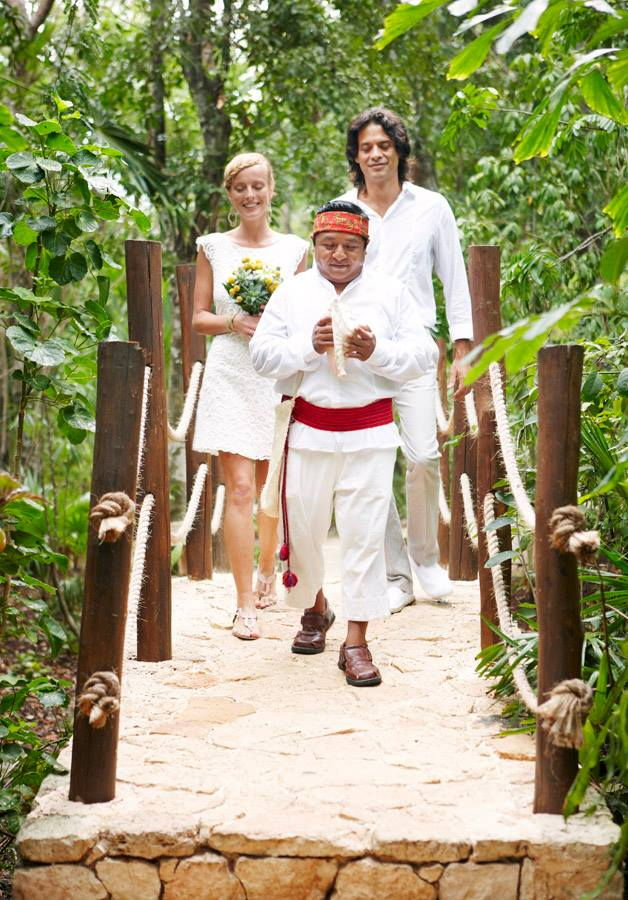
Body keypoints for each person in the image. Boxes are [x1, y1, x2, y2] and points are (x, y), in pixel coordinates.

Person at [250, 201, 438, 686]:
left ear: (365, 249)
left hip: (370, 435)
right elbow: (261, 357)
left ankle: (356, 642)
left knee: (364, 537)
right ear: (315, 244)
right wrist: (307, 347)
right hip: (306, 433)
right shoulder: (292, 293)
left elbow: (424, 354)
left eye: (350, 246)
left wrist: (377, 352)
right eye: (329, 244)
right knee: (303, 531)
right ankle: (316, 608)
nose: (338, 254)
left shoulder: (390, 293)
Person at [337, 107, 474, 612]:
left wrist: (462, 348)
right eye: (366, 148)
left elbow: (454, 279)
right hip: (359, 351)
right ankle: (395, 576)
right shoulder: (343, 208)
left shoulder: (431, 207)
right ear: (356, 156)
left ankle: (426, 559)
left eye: (384, 146)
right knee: (373, 464)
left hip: (415, 348)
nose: (375, 154)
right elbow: (329, 270)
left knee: (422, 456)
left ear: (399, 151)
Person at [192, 152, 308, 640]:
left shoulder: (295, 250)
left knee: (271, 489)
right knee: (239, 489)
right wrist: (234, 321)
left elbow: (305, 314)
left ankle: (267, 569)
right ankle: (244, 605)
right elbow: (199, 318)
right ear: (229, 194)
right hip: (230, 373)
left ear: (271, 190)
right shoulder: (212, 248)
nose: (250, 195)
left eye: (258, 186)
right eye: (240, 188)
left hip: (276, 375)